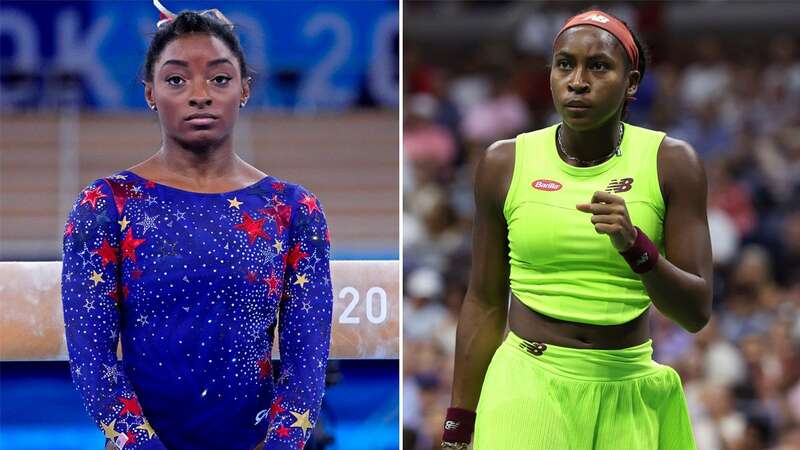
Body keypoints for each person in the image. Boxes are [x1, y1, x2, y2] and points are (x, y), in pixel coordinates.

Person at [61, 2, 333, 449]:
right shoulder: (106, 205)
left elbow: (306, 359)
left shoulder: (293, 209)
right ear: (150, 91)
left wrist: (283, 443)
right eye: (176, 79)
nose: (200, 94)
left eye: (220, 78)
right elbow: (92, 359)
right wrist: (137, 442)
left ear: (245, 89)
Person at [441, 10, 712, 450]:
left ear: (632, 82)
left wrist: (636, 247)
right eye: (565, 64)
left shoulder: (673, 163)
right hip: (526, 384)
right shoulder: (503, 162)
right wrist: (458, 425)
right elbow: (485, 301)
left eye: (598, 66)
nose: (578, 80)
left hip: (626, 382)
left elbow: (695, 312)